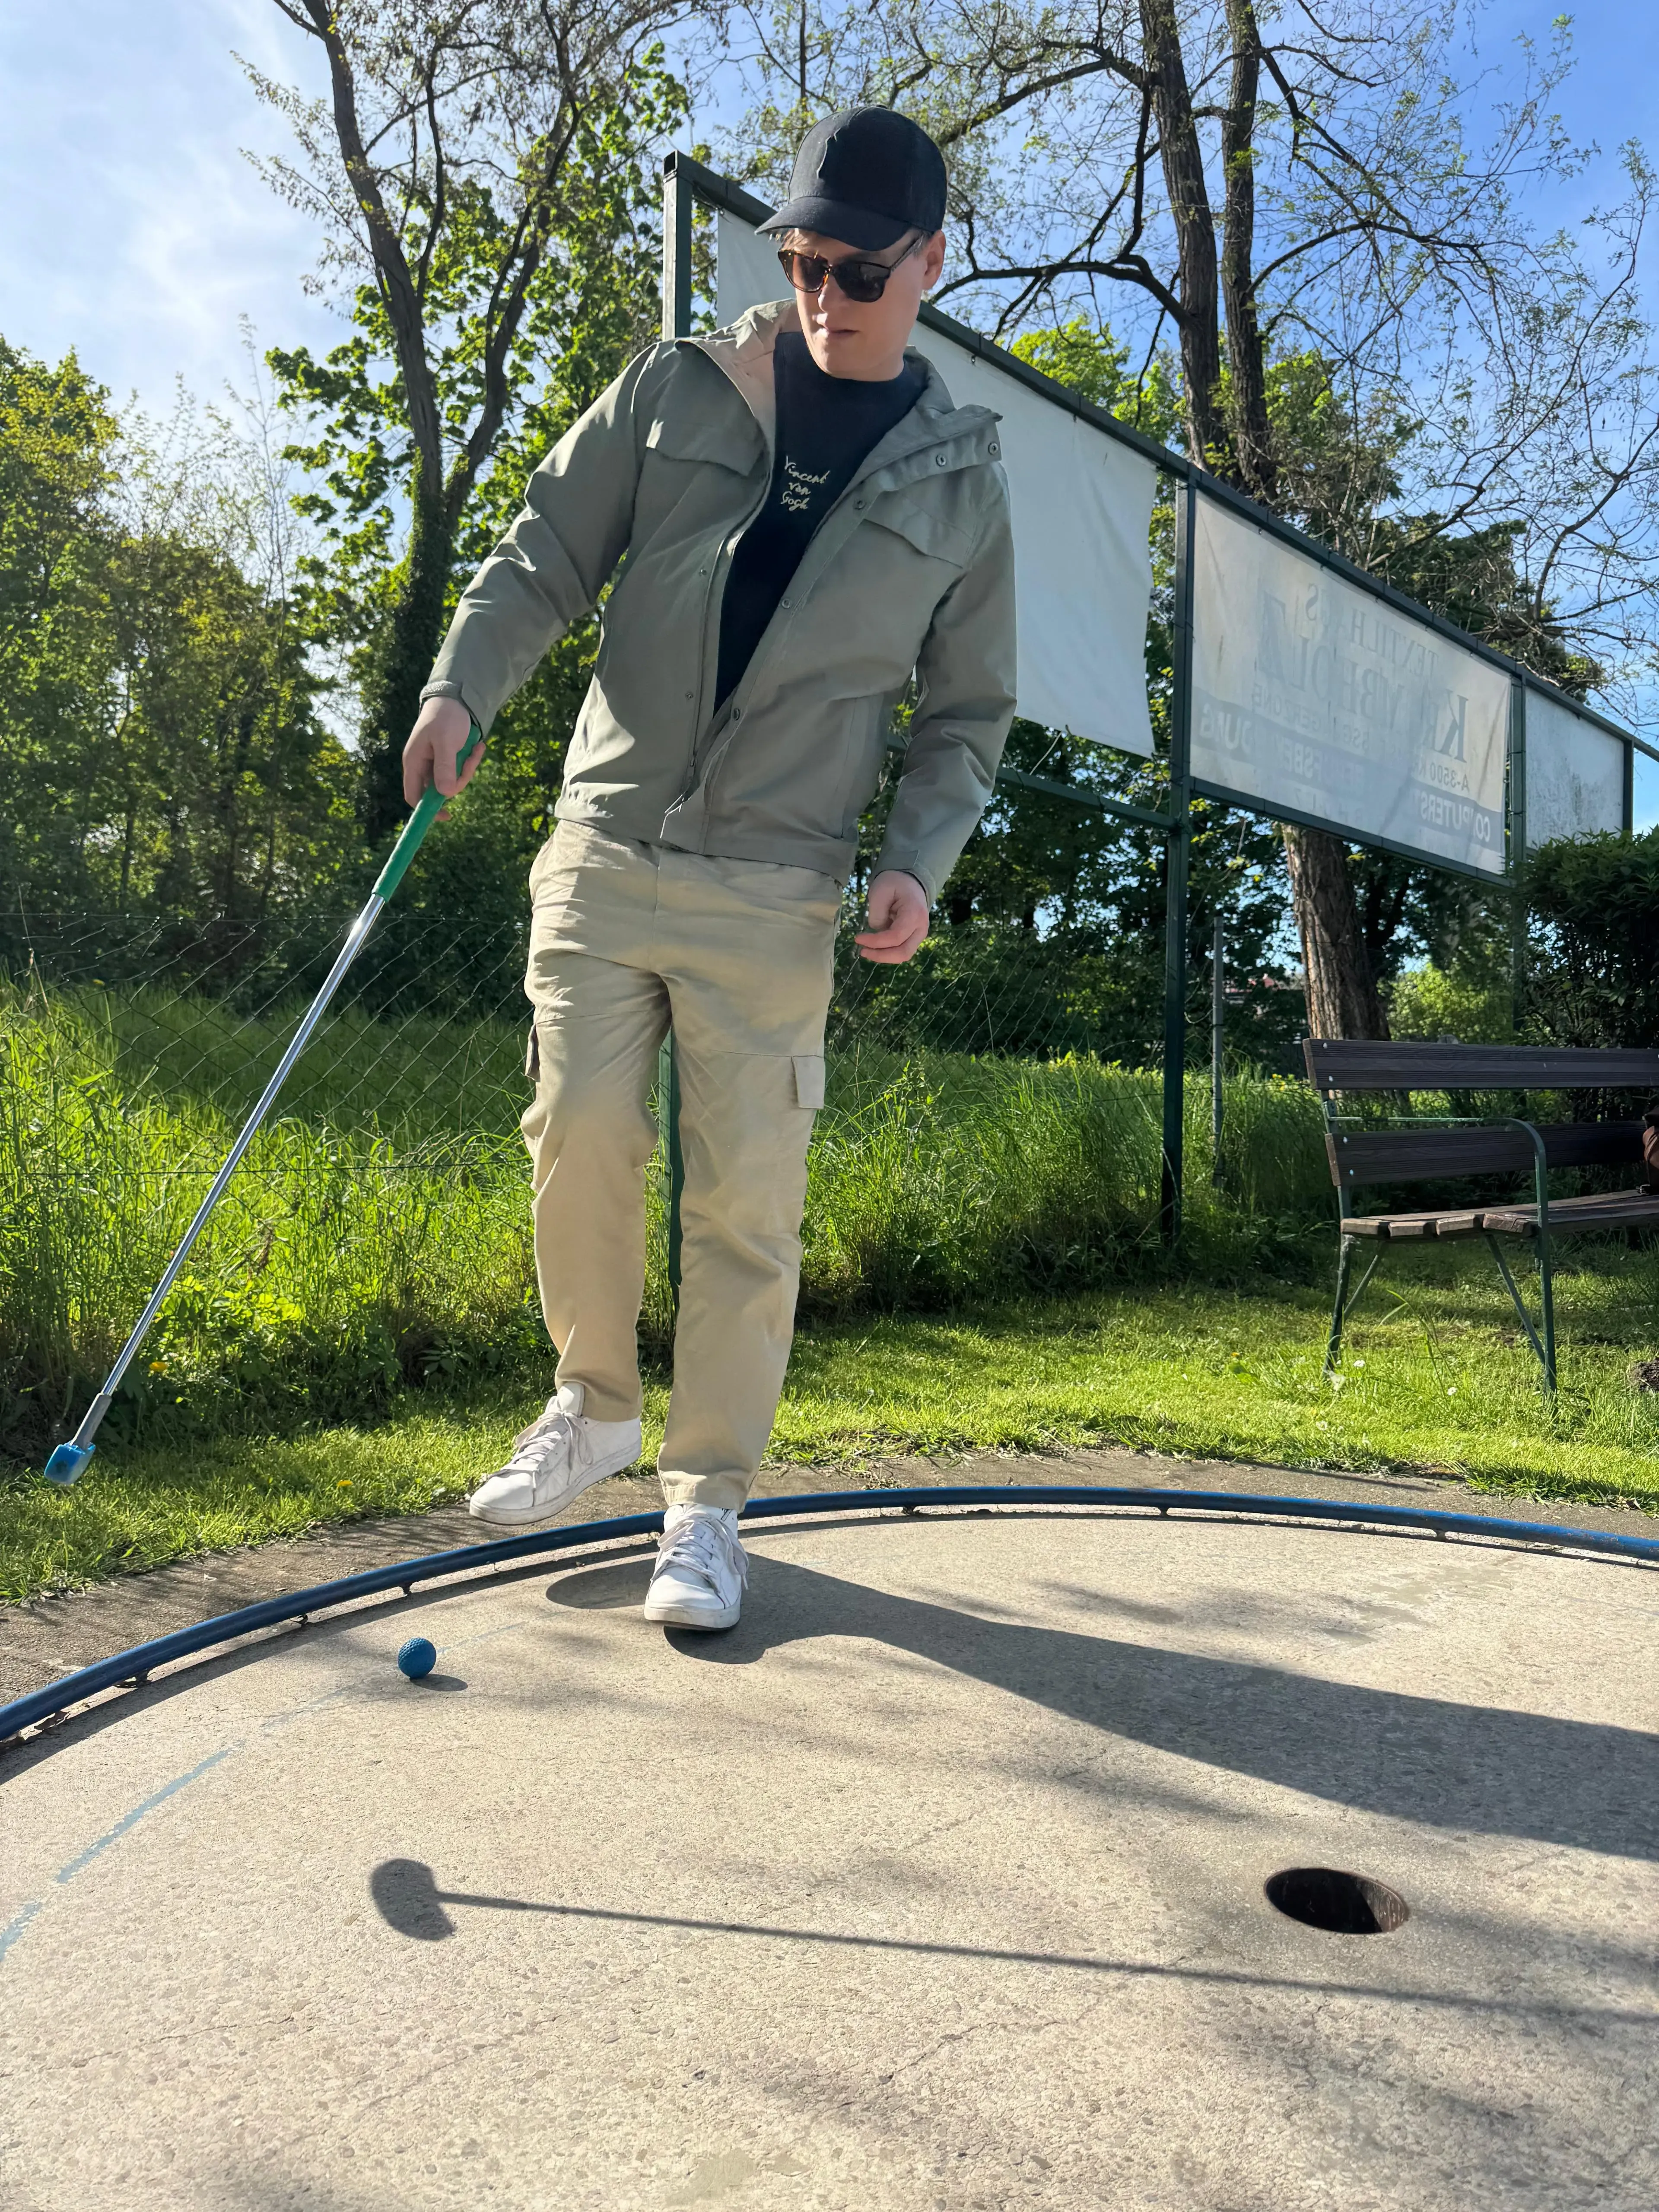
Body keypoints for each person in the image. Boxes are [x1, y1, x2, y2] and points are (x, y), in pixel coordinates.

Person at [403, 106, 1016, 1630]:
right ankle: (593, 1406)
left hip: (779, 888)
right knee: (581, 1130)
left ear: (930, 265)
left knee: (747, 1205)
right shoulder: (680, 386)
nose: (823, 296)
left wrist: (918, 864)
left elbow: (968, 713)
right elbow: (545, 544)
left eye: (858, 273)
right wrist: (461, 683)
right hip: (605, 840)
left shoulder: (963, 482)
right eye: (802, 260)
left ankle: (705, 1505)